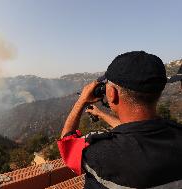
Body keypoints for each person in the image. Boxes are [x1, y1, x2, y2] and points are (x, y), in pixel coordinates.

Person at [58, 51, 182, 188]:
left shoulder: (101, 153)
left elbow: (67, 144)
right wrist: (102, 114)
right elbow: (136, 131)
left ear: (112, 93)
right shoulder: (177, 134)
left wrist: (81, 101)